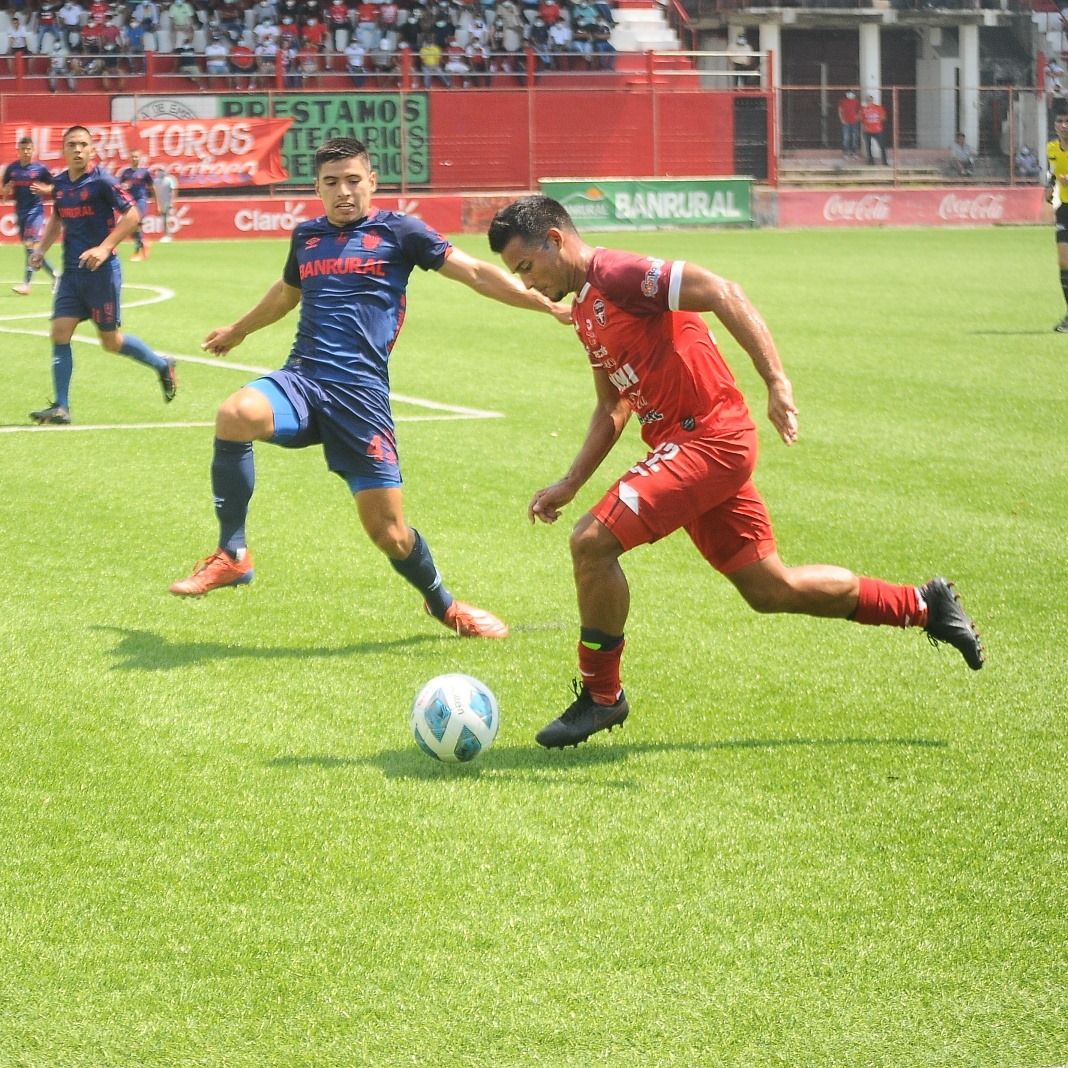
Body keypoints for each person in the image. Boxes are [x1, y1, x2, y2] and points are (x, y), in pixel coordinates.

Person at [486, 195, 985, 749]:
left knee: (591, 543)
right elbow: (613, 408)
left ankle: (603, 696)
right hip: (688, 448)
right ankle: (923, 605)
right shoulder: (584, 310)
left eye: (527, 268)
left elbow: (722, 291)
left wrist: (776, 381)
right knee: (771, 588)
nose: (528, 284)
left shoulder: (620, 274)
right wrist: (570, 482)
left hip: (711, 440)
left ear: (554, 240)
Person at [168, 137, 569, 644]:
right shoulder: (307, 237)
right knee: (234, 413)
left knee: (391, 535)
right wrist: (240, 329)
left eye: (353, 180)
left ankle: (445, 605)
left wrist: (545, 303)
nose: (343, 192)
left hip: (360, 401)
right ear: (316, 189)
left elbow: (474, 273)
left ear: (371, 183)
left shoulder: (400, 231)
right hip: (303, 380)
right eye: (331, 183)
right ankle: (233, 554)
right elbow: (288, 292)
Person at [27, 125, 177, 426]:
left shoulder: (102, 182)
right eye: (72, 144)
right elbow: (57, 217)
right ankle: (62, 407)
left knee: (110, 341)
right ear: (64, 150)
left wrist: (105, 247)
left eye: (84, 144)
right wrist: (42, 248)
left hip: (101, 274)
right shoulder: (60, 184)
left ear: (92, 150)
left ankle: (162, 365)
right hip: (72, 273)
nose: (78, 149)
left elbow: (133, 215)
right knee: (59, 332)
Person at [2, 137, 60, 296]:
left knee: (30, 245)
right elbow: (4, 192)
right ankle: (55, 274)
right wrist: (6, 190)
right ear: (18, 151)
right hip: (20, 212)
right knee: (30, 249)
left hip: (35, 212)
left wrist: (44, 189)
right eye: (23, 149)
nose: (26, 152)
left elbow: (54, 187)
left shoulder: (40, 169)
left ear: (33, 150)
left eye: (29, 149)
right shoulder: (12, 169)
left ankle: (26, 284)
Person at [1046, 110, 1068, 332]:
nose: (1063, 125)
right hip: (1064, 208)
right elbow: (1052, 172)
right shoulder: (1052, 148)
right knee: (1064, 262)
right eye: (1060, 121)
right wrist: (1049, 186)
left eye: (1067, 121)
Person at [119, 148, 154, 261]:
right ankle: (144, 244)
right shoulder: (126, 173)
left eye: (136, 156)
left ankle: (138, 251)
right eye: (132, 156)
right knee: (130, 227)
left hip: (141, 201)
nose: (134, 159)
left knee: (136, 223)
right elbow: (119, 187)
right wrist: (123, 187)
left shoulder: (145, 172)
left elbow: (152, 187)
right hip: (129, 202)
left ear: (140, 158)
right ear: (130, 158)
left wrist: (157, 202)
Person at [152, 166, 178, 242]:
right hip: (161, 202)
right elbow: (155, 192)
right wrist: (157, 204)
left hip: (168, 202)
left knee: (167, 218)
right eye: (159, 170)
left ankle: (168, 235)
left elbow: (173, 191)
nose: (160, 172)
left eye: (162, 170)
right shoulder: (156, 181)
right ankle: (166, 234)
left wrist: (172, 202)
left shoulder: (170, 179)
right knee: (163, 219)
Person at [861, 94, 888, 166]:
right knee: (868, 146)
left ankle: (884, 161)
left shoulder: (878, 108)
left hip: (878, 130)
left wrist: (877, 121)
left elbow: (883, 117)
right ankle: (871, 161)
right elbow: (861, 119)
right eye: (867, 100)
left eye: (870, 100)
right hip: (867, 130)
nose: (869, 102)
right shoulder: (863, 109)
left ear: (872, 100)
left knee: (882, 146)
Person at [837, 90, 861, 160]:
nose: (851, 95)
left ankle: (854, 153)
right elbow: (840, 110)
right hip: (846, 122)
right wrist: (842, 119)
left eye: (852, 94)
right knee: (846, 138)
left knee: (854, 138)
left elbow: (859, 111)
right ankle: (845, 153)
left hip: (854, 122)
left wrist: (857, 118)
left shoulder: (856, 101)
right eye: (849, 93)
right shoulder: (843, 101)